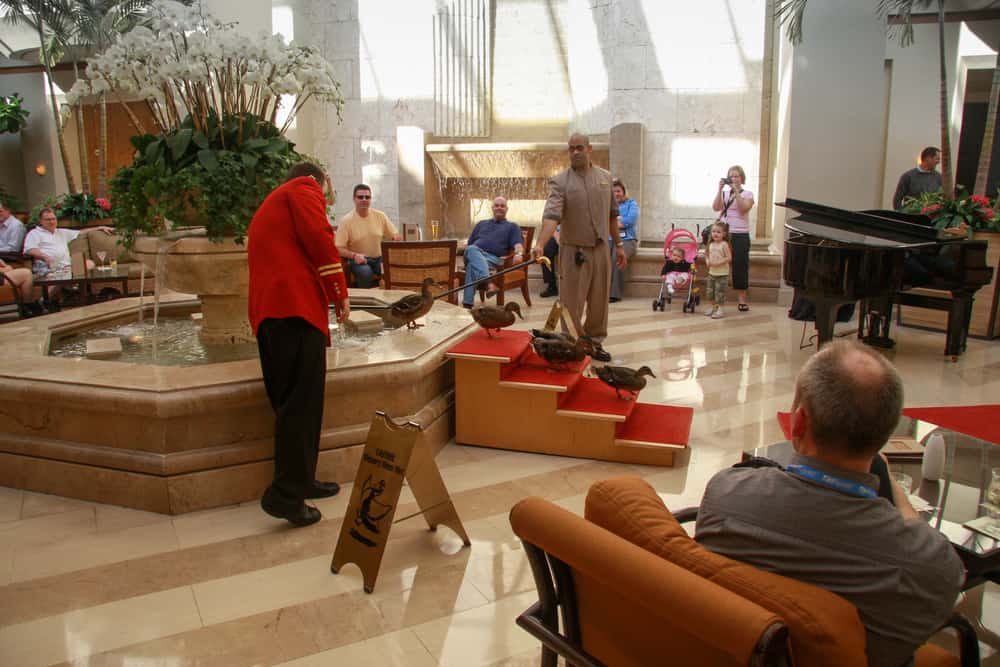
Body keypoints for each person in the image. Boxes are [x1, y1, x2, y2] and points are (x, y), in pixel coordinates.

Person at [696, 340, 964, 667]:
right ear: (884, 433)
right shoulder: (929, 567)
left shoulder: (724, 495)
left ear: (799, 423)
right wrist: (891, 484)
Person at [248, 161, 351, 527]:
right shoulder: (304, 188)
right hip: (293, 313)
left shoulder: (275, 200)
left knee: (295, 404)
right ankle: (286, 494)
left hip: (273, 316)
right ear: (319, 180)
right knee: (301, 405)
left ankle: (302, 479)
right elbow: (320, 238)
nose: (325, 198)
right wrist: (339, 292)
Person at [531, 133, 623, 363]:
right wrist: (541, 243)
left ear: (589, 149)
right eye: (571, 149)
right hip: (573, 251)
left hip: (601, 249)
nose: (575, 152)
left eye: (579, 148)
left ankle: (594, 343)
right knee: (571, 302)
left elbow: (613, 215)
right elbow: (551, 216)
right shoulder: (560, 182)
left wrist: (619, 246)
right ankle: (572, 344)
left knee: (599, 301)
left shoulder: (605, 178)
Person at [23, 207, 114, 306]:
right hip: (46, 265)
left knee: (89, 264)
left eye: (53, 219)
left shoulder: (61, 232)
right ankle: (42, 301)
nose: (51, 222)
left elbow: (82, 232)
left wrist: (99, 227)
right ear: (41, 221)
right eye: (48, 219)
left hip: (66, 265)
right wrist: (44, 256)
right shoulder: (35, 233)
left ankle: (78, 293)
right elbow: (29, 249)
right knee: (64, 274)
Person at [460, 196, 523, 308]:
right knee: (471, 249)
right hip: (474, 253)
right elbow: (469, 244)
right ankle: (489, 283)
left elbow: (518, 244)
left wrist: (518, 254)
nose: (499, 208)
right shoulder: (481, 224)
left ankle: (467, 305)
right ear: (492, 208)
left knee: (471, 265)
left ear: (507, 209)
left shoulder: (512, 227)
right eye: (496, 205)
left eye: (502, 206)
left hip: (493, 259)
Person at [335, 184, 401, 288]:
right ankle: (363, 302)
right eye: (360, 197)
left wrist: (396, 238)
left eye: (367, 197)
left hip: (379, 259)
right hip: (358, 260)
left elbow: (394, 236)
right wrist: (354, 256)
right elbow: (338, 248)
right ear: (354, 199)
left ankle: (389, 300)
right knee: (366, 273)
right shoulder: (346, 221)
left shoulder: (380, 216)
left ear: (371, 199)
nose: (364, 199)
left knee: (394, 271)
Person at [712, 165, 753, 312]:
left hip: (740, 234)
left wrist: (736, 190)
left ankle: (742, 299)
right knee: (719, 262)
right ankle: (717, 299)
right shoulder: (724, 194)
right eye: (731, 176)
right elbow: (716, 207)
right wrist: (719, 189)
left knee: (740, 266)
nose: (734, 179)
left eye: (736, 176)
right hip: (725, 233)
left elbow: (743, 209)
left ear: (742, 178)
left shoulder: (748, 194)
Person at [609, 178, 638, 303]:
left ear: (623, 192)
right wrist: (618, 220)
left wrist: (615, 222)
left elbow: (630, 221)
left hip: (627, 239)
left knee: (617, 257)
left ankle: (615, 294)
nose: (616, 194)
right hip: (608, 238)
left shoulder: (632, 204)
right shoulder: (606, 205)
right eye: (613, 191)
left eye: (618, 191)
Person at [704, 222, 731, 319]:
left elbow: (729, 258)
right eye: (713, 231)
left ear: (724, 234)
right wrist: (707, 261)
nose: (715, 234)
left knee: (719, 292)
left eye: (718, 232)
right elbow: (706, 254)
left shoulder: (724, 245)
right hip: (712, 273)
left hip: (722, 273)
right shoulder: (711, 244)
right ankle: (713, 307)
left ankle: (720, 309)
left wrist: (718, 263)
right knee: (710, 291)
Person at [540, 231, 560, 298]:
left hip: (573, 236)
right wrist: (557, 237)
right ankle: (552, 286)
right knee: (545, 251)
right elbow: (550, 223)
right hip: (556, 234)